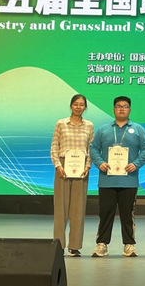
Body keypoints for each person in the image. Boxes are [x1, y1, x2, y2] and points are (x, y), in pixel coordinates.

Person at [89, 96, 145, 257]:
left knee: (127, 214)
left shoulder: (138, 129)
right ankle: (102, 244)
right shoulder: (103, 129)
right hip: (107, 180)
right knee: (105, 213)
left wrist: (136, 164)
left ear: (129, 109)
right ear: (113, 109)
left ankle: (129, 245)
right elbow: (93, 148)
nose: (121, 109)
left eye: (125, 106)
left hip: (129, 180)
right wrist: (100, 163)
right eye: (118, 106)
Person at [50, 94, 94, 257]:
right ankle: (59, 244)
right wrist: (58, 165)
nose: (78, 107)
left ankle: (74, 246)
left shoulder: (89, 125)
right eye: (75, 104)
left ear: (85, 107)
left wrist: (88, 165)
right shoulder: (61, 123)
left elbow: (91, 148)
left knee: (78, 208)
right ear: (71, 106)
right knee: (60, 208)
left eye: (81, 104)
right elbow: (54, 147)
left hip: (81, 168)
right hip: (63, 167)